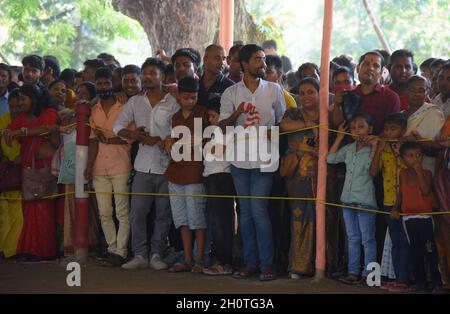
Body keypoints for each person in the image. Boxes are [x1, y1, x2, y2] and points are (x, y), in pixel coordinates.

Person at [219, 44, 286, 281]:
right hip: (239, 159)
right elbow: (221, 126)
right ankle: (250, 263)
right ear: (244, 64)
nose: (263, 64)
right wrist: (237, 114)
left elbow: (282, 122)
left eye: (263, 59)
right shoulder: (231, 93)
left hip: (265, 159)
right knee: (245, 212)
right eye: (257, 60)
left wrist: (274, 133)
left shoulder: (274, 90)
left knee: (257, 210)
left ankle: (267, 264)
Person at [114, 58, 178, 270]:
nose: (148, 76)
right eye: (145, 73)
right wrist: (138, 136)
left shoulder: (173, 101)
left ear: (162, 77)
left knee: (163, 213)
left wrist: (166, 140)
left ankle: (157, 254)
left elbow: (182, 128)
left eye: (153, 72)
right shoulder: (135, 102)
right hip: (142, 165)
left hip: (167, 165)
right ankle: (140, 254)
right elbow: (117, 127)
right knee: (138, 212)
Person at [2, 85, 58, 261]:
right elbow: (9, 128)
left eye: (23, 99)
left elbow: (48, 128)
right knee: (28, 208)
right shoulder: (23, 117)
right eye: (19, 99)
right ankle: (29, 249)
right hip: (27, 165)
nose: (20, 103)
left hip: (42, 165)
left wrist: (20, 132)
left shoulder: (48, 112)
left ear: (33, 99)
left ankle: (44, 251)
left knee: (42, 207)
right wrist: (7, 132)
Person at [84, 67, 132, 267]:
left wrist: (111, 140)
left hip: (120, 165)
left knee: (122, 212)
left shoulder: (124, 106)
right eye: (100, 83)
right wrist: (89, 165)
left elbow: (131, 138)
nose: (104, 87)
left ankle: (121, 251)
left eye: (107, 83)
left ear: (114, 84)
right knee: (105, 212)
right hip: (99, 169)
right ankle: (112, 249)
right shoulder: (93, 110)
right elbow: (93, 141)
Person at [327, 113, 379, 285]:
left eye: (361, 126)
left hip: (365, 201)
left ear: (370, 129)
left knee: (368, 239)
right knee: (353, 238)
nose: (357, 131)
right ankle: (353, 272)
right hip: (347, 200)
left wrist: (374, 148)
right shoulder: (349, 148)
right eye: (354, 128)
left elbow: (373, 171)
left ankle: (370, 276)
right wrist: (340, 137)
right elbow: (331, 158)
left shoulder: (374, 147)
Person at [164, 77, 209, 273]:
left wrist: (197, 141)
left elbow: (211, 137)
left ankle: (199, 259)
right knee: (181, 219)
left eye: (194, 97)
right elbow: (171, 142)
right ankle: (187, 257)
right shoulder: (175, 118)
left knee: (197, 218)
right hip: (175, 172)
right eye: (186, 97)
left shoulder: (203, 114)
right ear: (178, 96)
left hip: (195, 172)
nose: (190, 101)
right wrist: (168, 142)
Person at [280, 77, 320, 278]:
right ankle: (298, 266)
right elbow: (284, 126)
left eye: (311, 92)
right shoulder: (293, 113)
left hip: (319, 178)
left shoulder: (327, 117)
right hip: (295, 177)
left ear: (320, 93)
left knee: (320, 220)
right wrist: (308, 124)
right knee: (298, 219)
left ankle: (321, 265)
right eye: (302, 93)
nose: (306, 96)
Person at [392, 142, 442, 292]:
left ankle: (436, 283)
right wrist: (395, 208)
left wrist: (419, 170)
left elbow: (426, 191)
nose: (415, 158)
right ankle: (420, 283)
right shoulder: (402, 174)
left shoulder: (426, 173)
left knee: (430, 251)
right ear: (403, 159)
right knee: (416, 252)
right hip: (408, 219)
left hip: (425, 219)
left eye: (418, 155)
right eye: (411, 156)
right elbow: (400, 195)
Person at [369, 113, 410, 292]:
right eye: (386, 129)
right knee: (395, 240)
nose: (387, 133)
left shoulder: (407, 149)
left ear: (402, 131)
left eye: (393, 129)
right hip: (388, 201)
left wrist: (399, 152)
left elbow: (410, 171)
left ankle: (404, 278)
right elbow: (373, 172)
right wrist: (379, 149)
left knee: (405, 241)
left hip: (405, 203)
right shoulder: (384, 149)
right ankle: (396, 277)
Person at [331, 51, 401, 135]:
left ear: (381, 72)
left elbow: (393, 130)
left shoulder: (390, 97)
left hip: (378, 146)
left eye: (376, 66)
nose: (370, 68)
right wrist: (337, 104)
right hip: (349, 145)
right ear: (357, 68)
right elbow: (337, 125)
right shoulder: (348, 95)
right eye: (366, 64)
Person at [202, 103, 235, 275]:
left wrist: (208, 148)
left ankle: (225, 262)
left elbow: (215, 152)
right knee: (216, 221)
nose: (210, 120)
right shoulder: (216, 133)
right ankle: (218, 259)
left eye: (213, 116)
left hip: (222, 177)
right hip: (212, 176)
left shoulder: (227, 133)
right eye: (209, 116)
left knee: (223, 222)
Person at [403, 75, 445, 175]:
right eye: (412, 90)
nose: (416, 94)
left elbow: (440, 147)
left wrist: (419, 141)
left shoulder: (434, 113)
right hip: (400, 169)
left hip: (426, 170)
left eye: (421, 90)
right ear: (406, 91)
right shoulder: (401, 115)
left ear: (427, 92)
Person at [0, 89, 23, 258]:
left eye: (19, 106)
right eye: (12, 106)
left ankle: (12, 250)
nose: (15, 109)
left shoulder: (29, 122)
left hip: (24, 171)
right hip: (6, 171)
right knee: (4, 214)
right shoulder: (2, 120)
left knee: (19, 215)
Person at [198, 44, 234, 109]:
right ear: (205, 59)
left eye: (223, 59)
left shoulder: (230, 87)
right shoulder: (196, 84)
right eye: (217, 58)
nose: (222, 63)